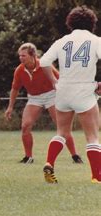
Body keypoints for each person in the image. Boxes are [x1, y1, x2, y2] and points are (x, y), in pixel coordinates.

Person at [40, 6, 101, 184]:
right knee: (92, 136)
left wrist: (53, 82)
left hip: (63, 91)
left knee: (62, 132)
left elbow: (43, 62)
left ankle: (49, 163)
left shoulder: (62, 41)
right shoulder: (95, 40)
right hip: (84, 91)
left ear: (70, 23)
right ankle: (96, 176)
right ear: (92, 23)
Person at [5, 42, 82, 164]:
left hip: (52, 95)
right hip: (34, 98)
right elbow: (15, 89)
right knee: (25, 126)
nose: (21, 58)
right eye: (20, 56)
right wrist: (10, 107)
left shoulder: (45, 65)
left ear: (33, 55)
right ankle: (28, 157)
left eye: (23, 56)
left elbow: (60, 81)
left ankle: (75, 156)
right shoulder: (19, 70)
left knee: (62, 127)